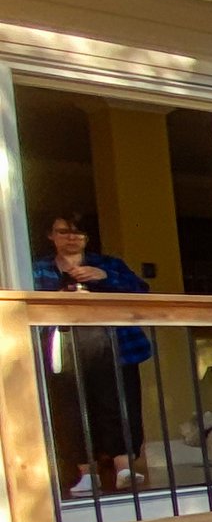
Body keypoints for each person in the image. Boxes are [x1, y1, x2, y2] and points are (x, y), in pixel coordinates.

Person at [34, 211, 151, 497]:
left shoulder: (108, 264)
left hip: (115, 345)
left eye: (78, 232)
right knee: (71, 408)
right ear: (51, 236)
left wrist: (105, 277)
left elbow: (141, 290)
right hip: (62, 346)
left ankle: (124, 467)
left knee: (119, 403)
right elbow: (26, 299)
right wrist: (58, 297)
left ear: (86, 237)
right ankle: (85, 473)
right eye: (63, 232)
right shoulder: (38, 269)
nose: (71, 238)